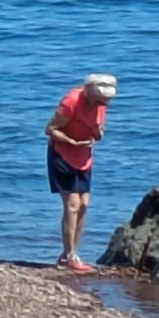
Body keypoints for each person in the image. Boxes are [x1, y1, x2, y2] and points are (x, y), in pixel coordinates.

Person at [44, 73, 116, 273]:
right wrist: (72, 142)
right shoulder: (71, 101)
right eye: (103, 98)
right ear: (92, 94)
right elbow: (50, 129)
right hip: (62, 154)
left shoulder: (100, 106)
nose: (106, 102)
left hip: (83, 158)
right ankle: (69, 257)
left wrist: (97, 133)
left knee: (84, 205)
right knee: (72, 205)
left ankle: (70, 252)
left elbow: (97, 132)